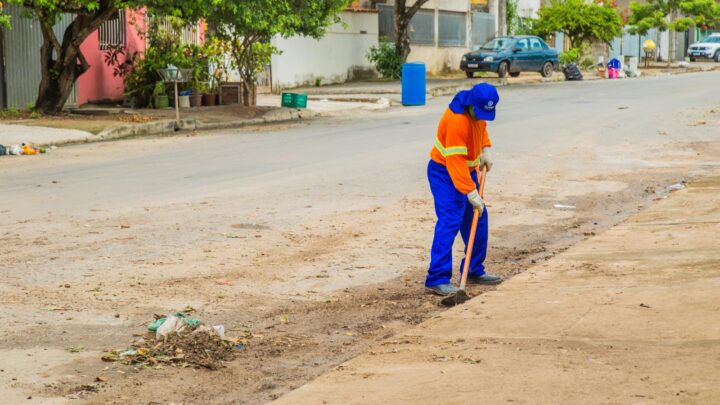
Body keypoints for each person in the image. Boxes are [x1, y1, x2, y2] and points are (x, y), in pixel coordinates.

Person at [425, 83, 503, 296]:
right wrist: (471, 192)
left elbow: (481, 127)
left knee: (478, 218)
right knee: (450, 220)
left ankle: (474, 269)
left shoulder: (477, 112)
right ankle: (437, 278)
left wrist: (485, 149)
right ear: (471, 104)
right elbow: (455, 161)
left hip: (466, 171)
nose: (481, 116)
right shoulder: (456, 120)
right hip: (444, 172)